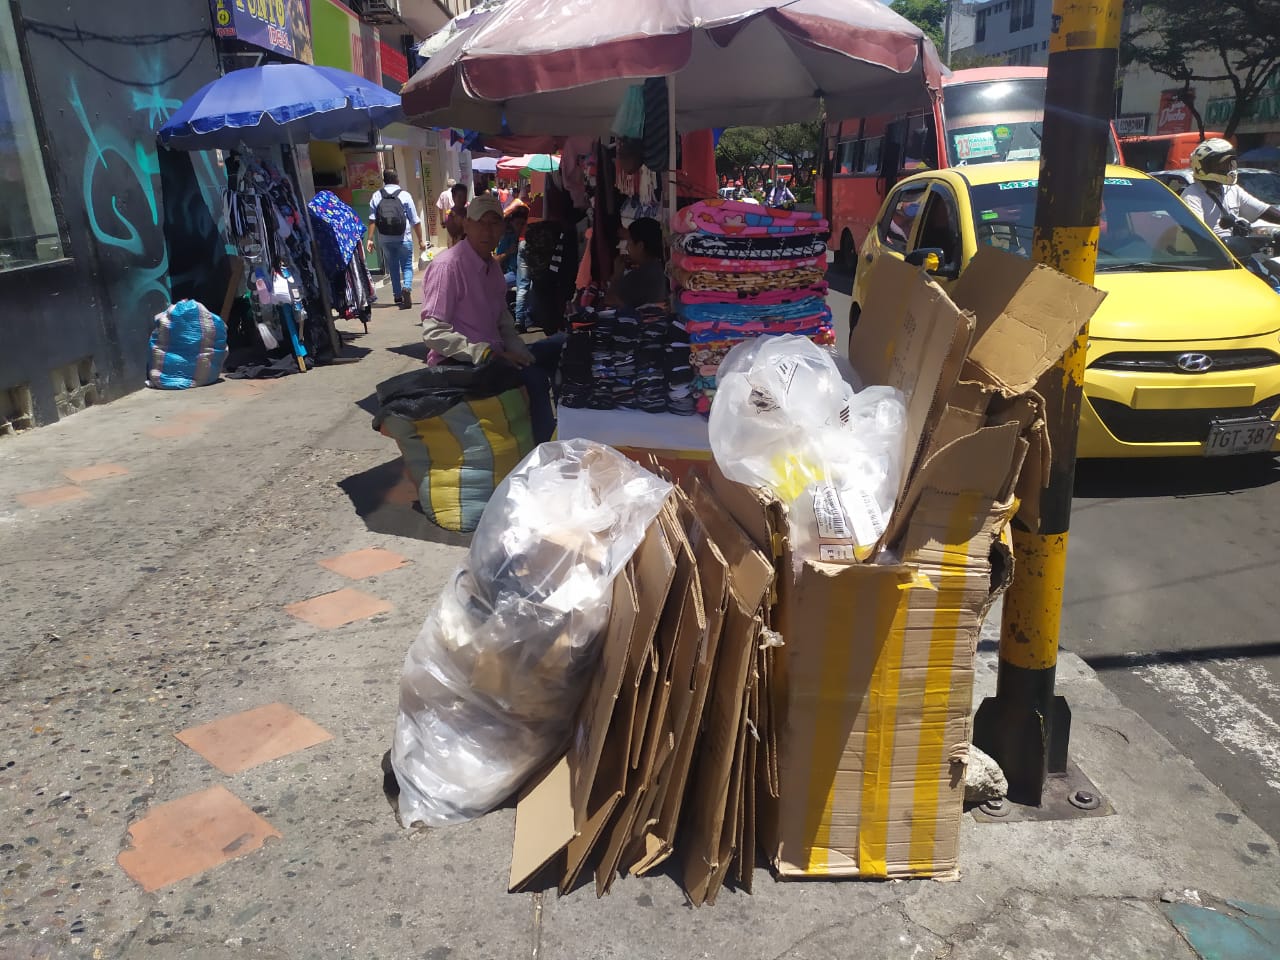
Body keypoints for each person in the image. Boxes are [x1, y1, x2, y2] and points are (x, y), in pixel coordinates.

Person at [419, 194, 563, 443]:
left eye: (495, 223)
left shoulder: (492, 266)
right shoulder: (448, 266)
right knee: (535, 380)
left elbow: (503, 320)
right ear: (466, 225)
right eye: (480, 222)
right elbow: (434, 333)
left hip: (493, 355)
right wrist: (486, 354)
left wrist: (519, 351)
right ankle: (544, 454)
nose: (488, 230)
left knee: (561, 347)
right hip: (460, 363)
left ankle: (556, 435)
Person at [1181, 138, 1280, 261]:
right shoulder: (1192, 196)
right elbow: (1198, 235)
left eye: (1230, 163)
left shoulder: (1231, 189)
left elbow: (1263, 210)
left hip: (1238, 253)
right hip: (1215, 259)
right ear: (1203, 167)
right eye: (1222, 164)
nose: (1229, 168)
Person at [366, 169, 424, 310]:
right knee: (407, 266)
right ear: (397, 179)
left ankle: (397, 295)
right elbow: (415, 220)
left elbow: (372, 220)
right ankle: (407, 287)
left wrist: (370, 239)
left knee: (393, 267)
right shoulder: (405, 195)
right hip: (404, 237)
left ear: (384, 180)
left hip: (385, 239)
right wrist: (421, 239)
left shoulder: (376, 196)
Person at [605, 217, 668, 309]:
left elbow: (609, 302)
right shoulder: (659, 267)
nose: (627, 247)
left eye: (629, 242)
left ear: (640, 246)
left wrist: (617, 275)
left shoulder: (641, 275)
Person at [496, 206, 529, 285]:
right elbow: (496, 260)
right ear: (511, 223)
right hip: (512, 274)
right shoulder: (508, 238)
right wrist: (509, 252)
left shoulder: (529, 238)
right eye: (517, 223)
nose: (520, 227)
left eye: (523, 224)